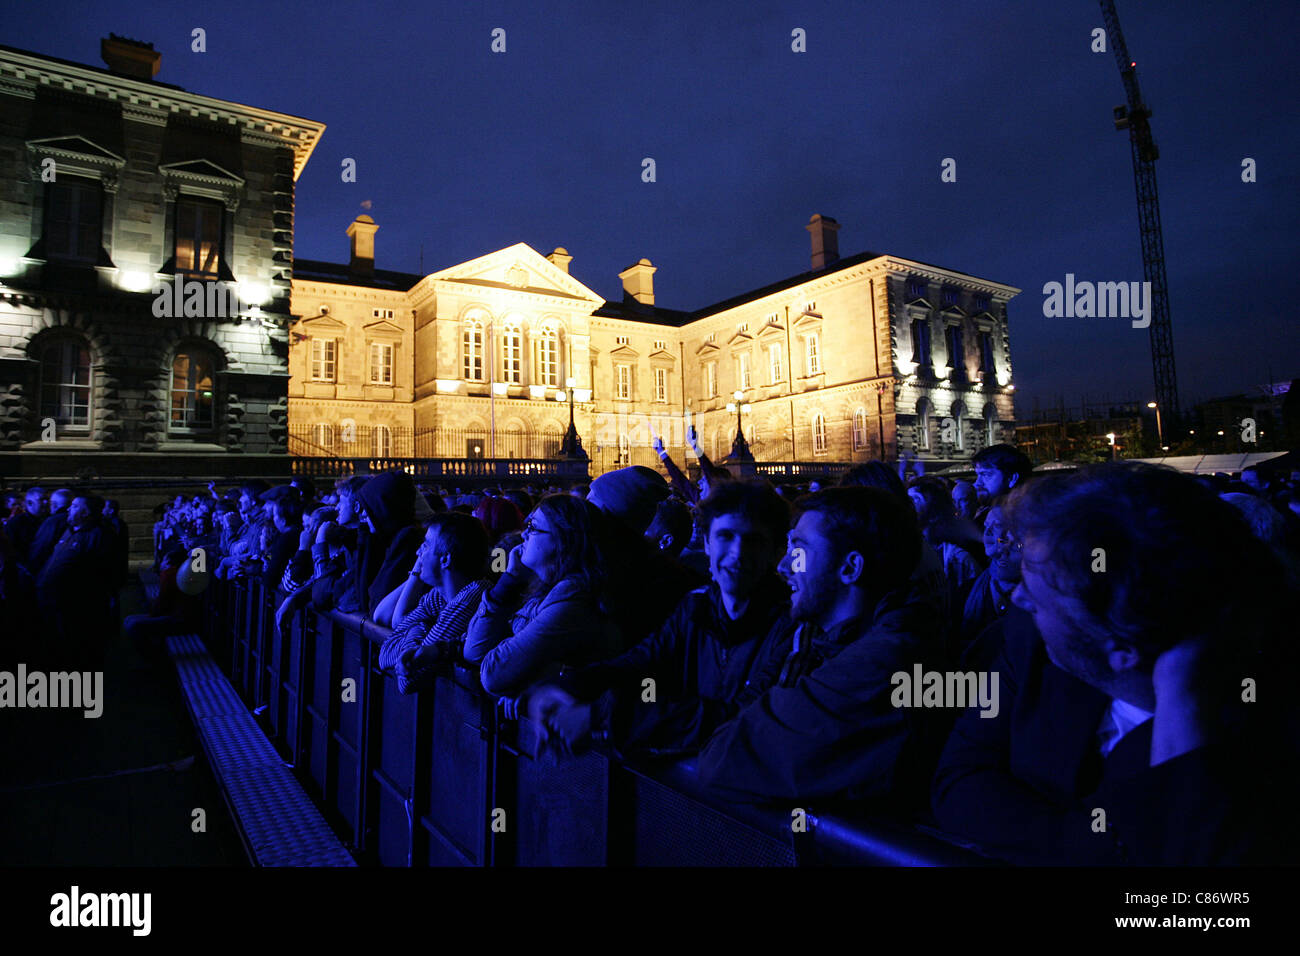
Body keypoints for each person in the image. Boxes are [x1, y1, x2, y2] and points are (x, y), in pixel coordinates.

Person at [932, 462, 1300, 864]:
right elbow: (959, 780)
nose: (1019, 598)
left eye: (1038, 592)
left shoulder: (1264, 723)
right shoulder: (1028, 635)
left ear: (1120, 645)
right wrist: (1099, 844)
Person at [693, 487, 948, 812]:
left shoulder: (876, 666)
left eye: (800, 551)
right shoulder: (821, 641)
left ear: (850, 568)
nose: (783, 565)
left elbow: (721, 759)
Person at [529, 480, 794, 758]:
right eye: (725, 537)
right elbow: (639, 661)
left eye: (754, 541)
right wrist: (564, 690)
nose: (738, 554)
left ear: (777, 552)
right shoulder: (696, 605)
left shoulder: (794, 625)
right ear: (706, 544)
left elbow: (746, 717)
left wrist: (599, 717)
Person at [463, 494, 622, 697]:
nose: (523, 536)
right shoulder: (540, 586)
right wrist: (509, 580)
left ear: (563, 539)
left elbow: (494, 674)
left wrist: (528, 671)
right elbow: (474, 652)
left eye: (533, 528)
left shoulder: (573, 597)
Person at [377, 513, 493, 694]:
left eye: (425, 545)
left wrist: (417, 629)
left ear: (445, 559)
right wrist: (421, 630)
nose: (418, 553)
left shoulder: (473, 596)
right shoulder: (438, 596)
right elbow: (385, 653)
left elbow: (407, 682)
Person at [35, 493, 118, 665]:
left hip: (73, 604)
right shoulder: (70, 531)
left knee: (74, 648)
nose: (68, 509)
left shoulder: (98, 535)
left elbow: (99, 572)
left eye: (74, 506)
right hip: (52, 600)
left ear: (86, 513)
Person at [28, 487, 73, 575]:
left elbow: (40, 548)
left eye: (48, 501)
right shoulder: (78, 520)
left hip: (48, 571)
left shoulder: (53, 522)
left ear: (54, 504)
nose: (46, 503)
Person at [3, 487, 45, 567]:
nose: (46, 502)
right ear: (29, 503)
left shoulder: (48, 521)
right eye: (41, 500)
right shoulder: (16, 523)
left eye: (47, 499)